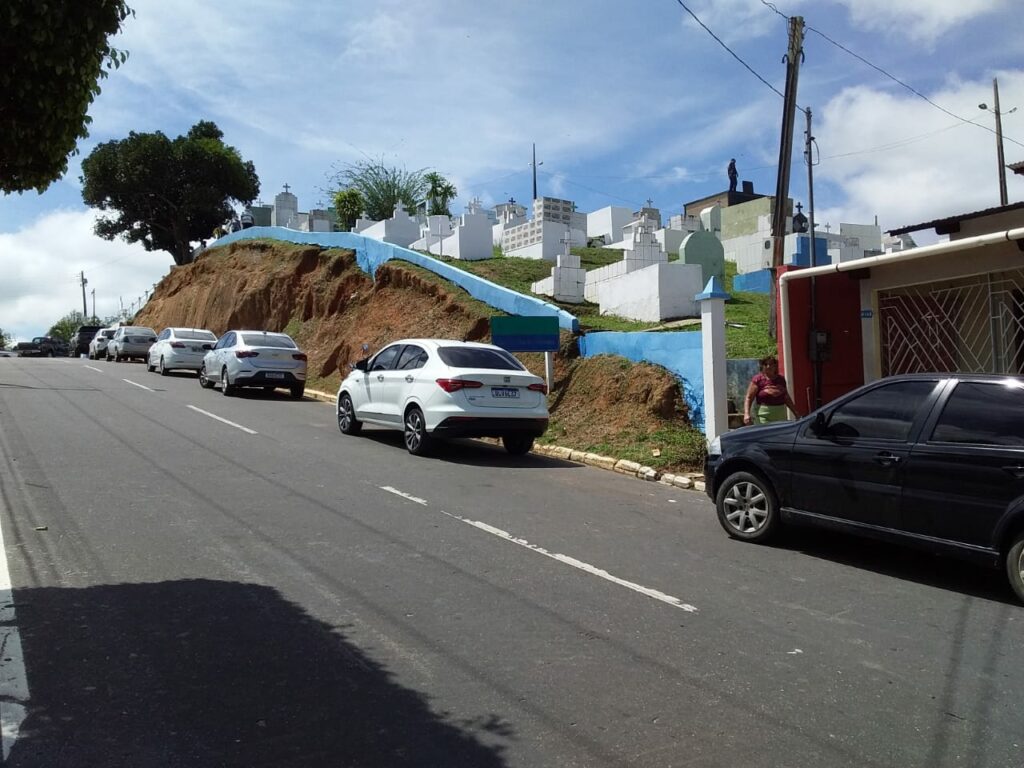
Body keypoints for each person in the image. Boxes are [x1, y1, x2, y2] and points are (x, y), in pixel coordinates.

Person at [743, 355, 799, 425]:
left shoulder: (781, 379)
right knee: (765, 434)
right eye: (766, 364)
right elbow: (749, 398)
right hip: (763, 416)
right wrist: (746, 414)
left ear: (775, 366)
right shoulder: (758, 379)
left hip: (780, 415)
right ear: (762, 366)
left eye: (771, 364)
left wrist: (796, 413)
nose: (768, 366)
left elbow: (786, 397)